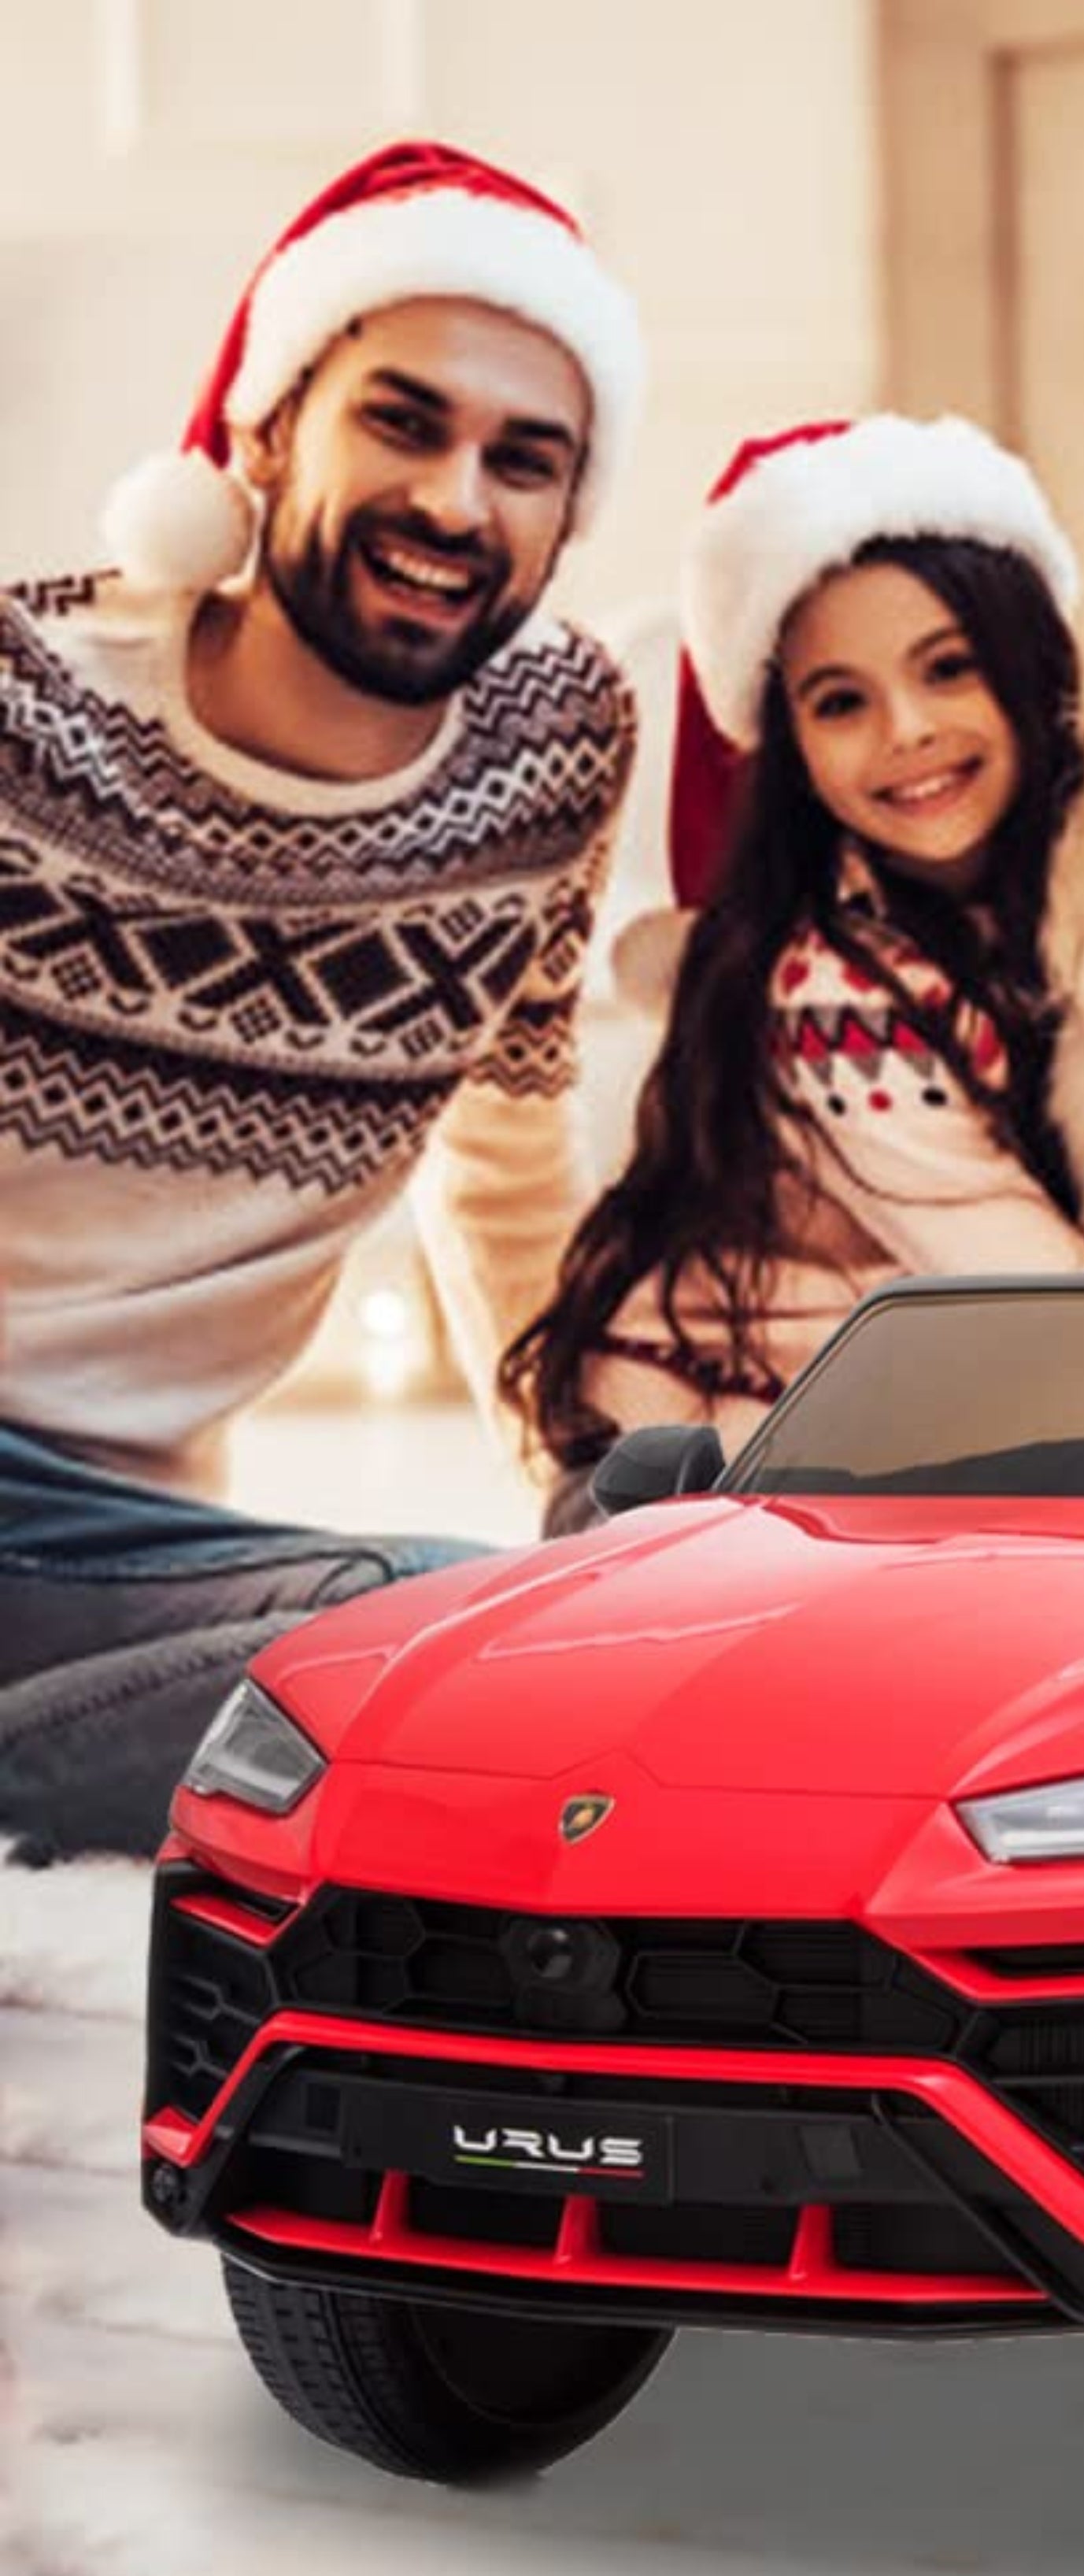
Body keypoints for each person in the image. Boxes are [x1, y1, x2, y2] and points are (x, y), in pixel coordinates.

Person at [0, 140, 646, 1859]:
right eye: (403, 421)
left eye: (527, 460)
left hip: (129, 1549)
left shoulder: (552, 749)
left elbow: (508, 1153)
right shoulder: (29, 708)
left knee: (505, 1645)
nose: (455, 503)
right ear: (271, 428)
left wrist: (590, 1473)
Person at [501, 415, 1084, 1523]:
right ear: (786, 744)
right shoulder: (825, 992)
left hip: (905, 1440)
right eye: (842, 702)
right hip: (690, 1475)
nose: (908, 730)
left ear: (1030, 665)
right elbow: (1044, 1296)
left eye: (949, 668)